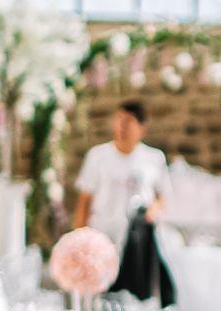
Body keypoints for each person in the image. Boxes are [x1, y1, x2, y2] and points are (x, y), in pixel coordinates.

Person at [73, 101, 171, 248]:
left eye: (128, 121)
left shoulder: (154, 158)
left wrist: (152, 211)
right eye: (119, 119)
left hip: (137, 237)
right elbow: (85, 199)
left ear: (141, 129)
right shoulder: (97, 155)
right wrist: (79, 237)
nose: (122, 127)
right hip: (102, 234)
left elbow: (163, 196)